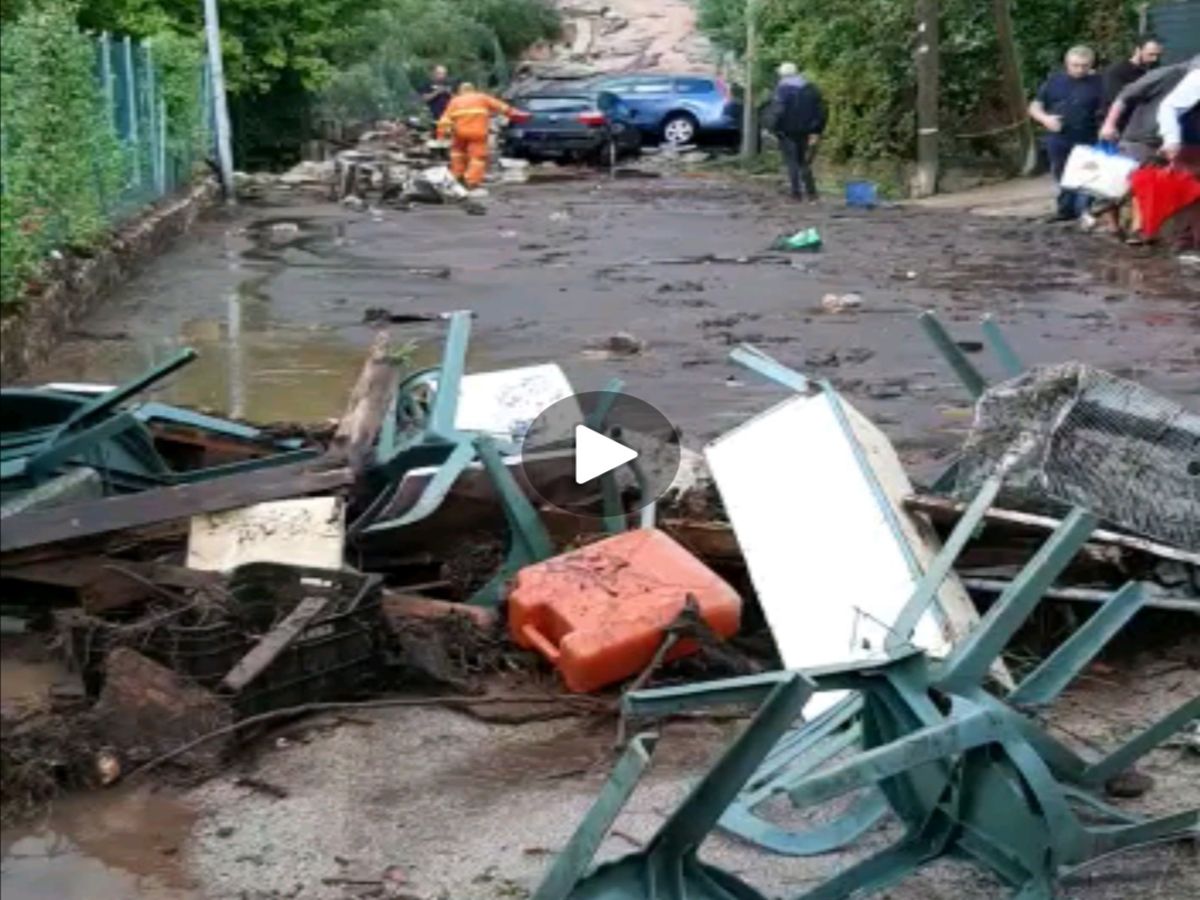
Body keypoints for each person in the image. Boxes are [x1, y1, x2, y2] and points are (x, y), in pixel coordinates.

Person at [1030, 46, 1104, 221]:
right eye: (1075, 65)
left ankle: (1083, 210)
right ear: (1066, 63)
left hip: (1088, 135)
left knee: (1087, 174)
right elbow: (1034, 106)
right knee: (1061, 173)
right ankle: (1065, 210)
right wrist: (1045, 119)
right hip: (1059, 136)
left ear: (1091, 65)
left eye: (1084, 66)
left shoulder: (1100, 83)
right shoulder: (1054, 81)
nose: (1079, 69)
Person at [436, 82, 520, 190]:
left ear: (460, 91)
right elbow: (501, 107)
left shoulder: (455, 101)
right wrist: (514, 114)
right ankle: (470, 181)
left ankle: (457, 177)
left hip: (459, 133)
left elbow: (445, 119)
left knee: (457, 154)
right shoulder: (482, 98)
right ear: (473, 89)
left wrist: (441, 134)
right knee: (477, 158)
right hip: (478, 133)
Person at [765, 62, 827, 202]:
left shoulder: (782, 90)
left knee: (791, 162)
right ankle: (812, 194)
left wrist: (772, 128)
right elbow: (821, 112)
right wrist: (817, 130)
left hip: (787, 131)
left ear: (782, 74)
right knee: (803, 161)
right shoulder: (810, 89)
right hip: (806, 131)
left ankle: (796, 194)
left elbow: (777, 112)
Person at [1102, 36, 1164, 110]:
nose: (1155, 59)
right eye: (1150, 54)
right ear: (1138, 51)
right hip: (1120, 118)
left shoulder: (1154, 71)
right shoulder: (1117, 71)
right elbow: (1117, 99)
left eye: (1158, 55)